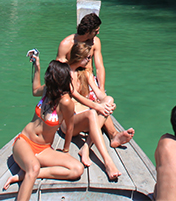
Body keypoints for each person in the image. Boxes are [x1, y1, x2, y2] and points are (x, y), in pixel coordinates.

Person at [3, 55, 84, 201]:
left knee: (77, 169)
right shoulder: (48, 90)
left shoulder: (66, 102)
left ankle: (25, 174)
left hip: (43, 149)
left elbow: (70, 128)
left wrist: (66, 151)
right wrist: (37, 67)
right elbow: (35, 90)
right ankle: (30, 171)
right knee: (33, 168)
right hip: (25, 141)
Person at [57, 12, 134, 147]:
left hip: (90, 82)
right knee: (99, 107)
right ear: (88, 31)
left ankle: (113, 135)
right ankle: (100, 139)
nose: (98, 34)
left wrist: (101, 89)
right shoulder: (66, 44)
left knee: (104, 101)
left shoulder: (95, 42)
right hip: (72, 84)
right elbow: (59, 71)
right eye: (96, 31)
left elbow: (99, 68)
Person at [63, 42, 122, 181]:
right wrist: (98, 107)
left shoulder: (85, 73)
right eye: (88, 58)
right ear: (79, 57)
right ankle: (108, 162)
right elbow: (76, 96)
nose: (90, 61)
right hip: (69, 122)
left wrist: (107, 103)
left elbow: (99, 94)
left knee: (108, 99)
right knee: (92, 112)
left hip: (86, 115)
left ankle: (85, 146)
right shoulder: (65, 74)